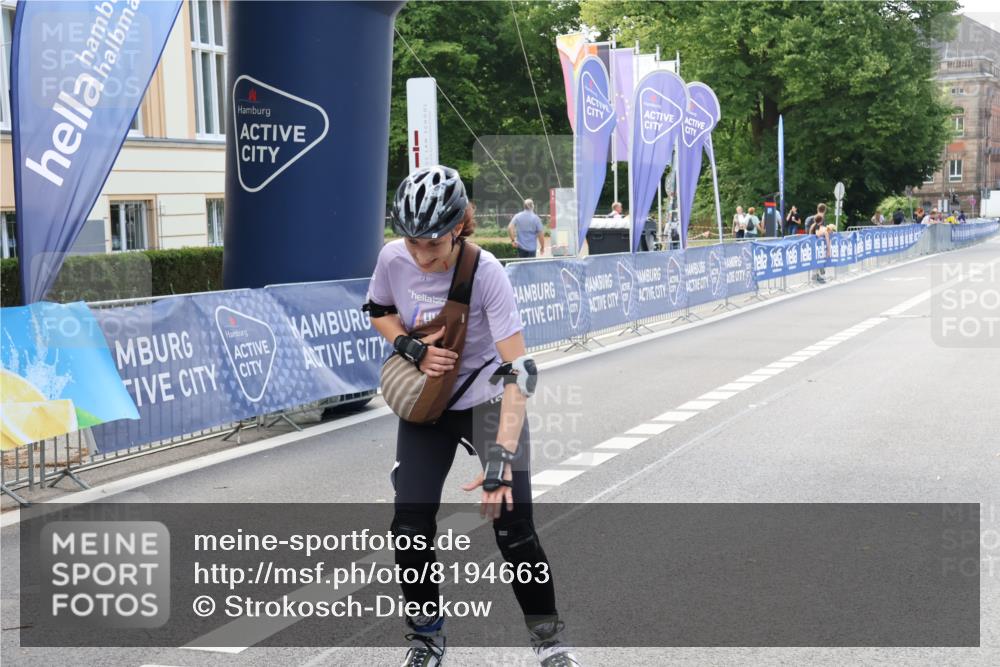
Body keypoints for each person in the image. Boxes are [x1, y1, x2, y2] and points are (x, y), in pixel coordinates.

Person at [364, 166, 578, 667]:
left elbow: (519, 370)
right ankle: (426, 639)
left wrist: (501, 457)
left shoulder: (487, 274)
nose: (420, 256)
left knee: (512, 523)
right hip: (429, 407)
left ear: (460, 225)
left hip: (487, 401)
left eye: (432, 245)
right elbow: (377, 308)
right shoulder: (392, 258)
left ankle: (549, 641)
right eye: (412, 242)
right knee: (410, 525)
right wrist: (410, 347)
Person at [808, 212, 832, 283]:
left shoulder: (813, 225)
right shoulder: (816, 226)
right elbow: (817, 234)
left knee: (818, 262)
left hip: (815, 248)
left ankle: (818, 276)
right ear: (821, 221)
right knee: (817, 262)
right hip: (815, 248)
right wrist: (824, 233)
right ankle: (816, 277)